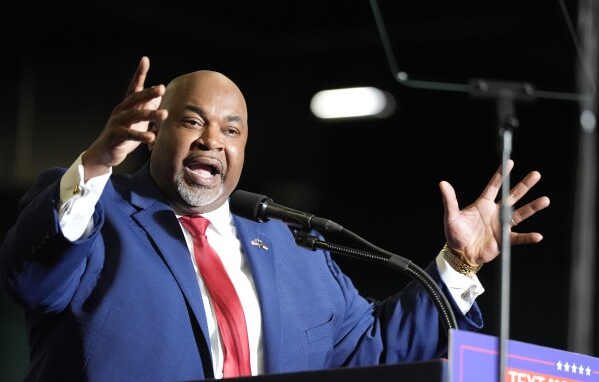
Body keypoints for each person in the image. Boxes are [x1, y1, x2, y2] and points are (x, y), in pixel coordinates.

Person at [0, 56, 550, 382]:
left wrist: (459, 263)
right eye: (192, 122)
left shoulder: (291, 248)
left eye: (231, 129)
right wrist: (98, 160)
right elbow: (32, 278)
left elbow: (376, 350)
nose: (212, 140)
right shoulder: (97, 214)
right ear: (154, 131)